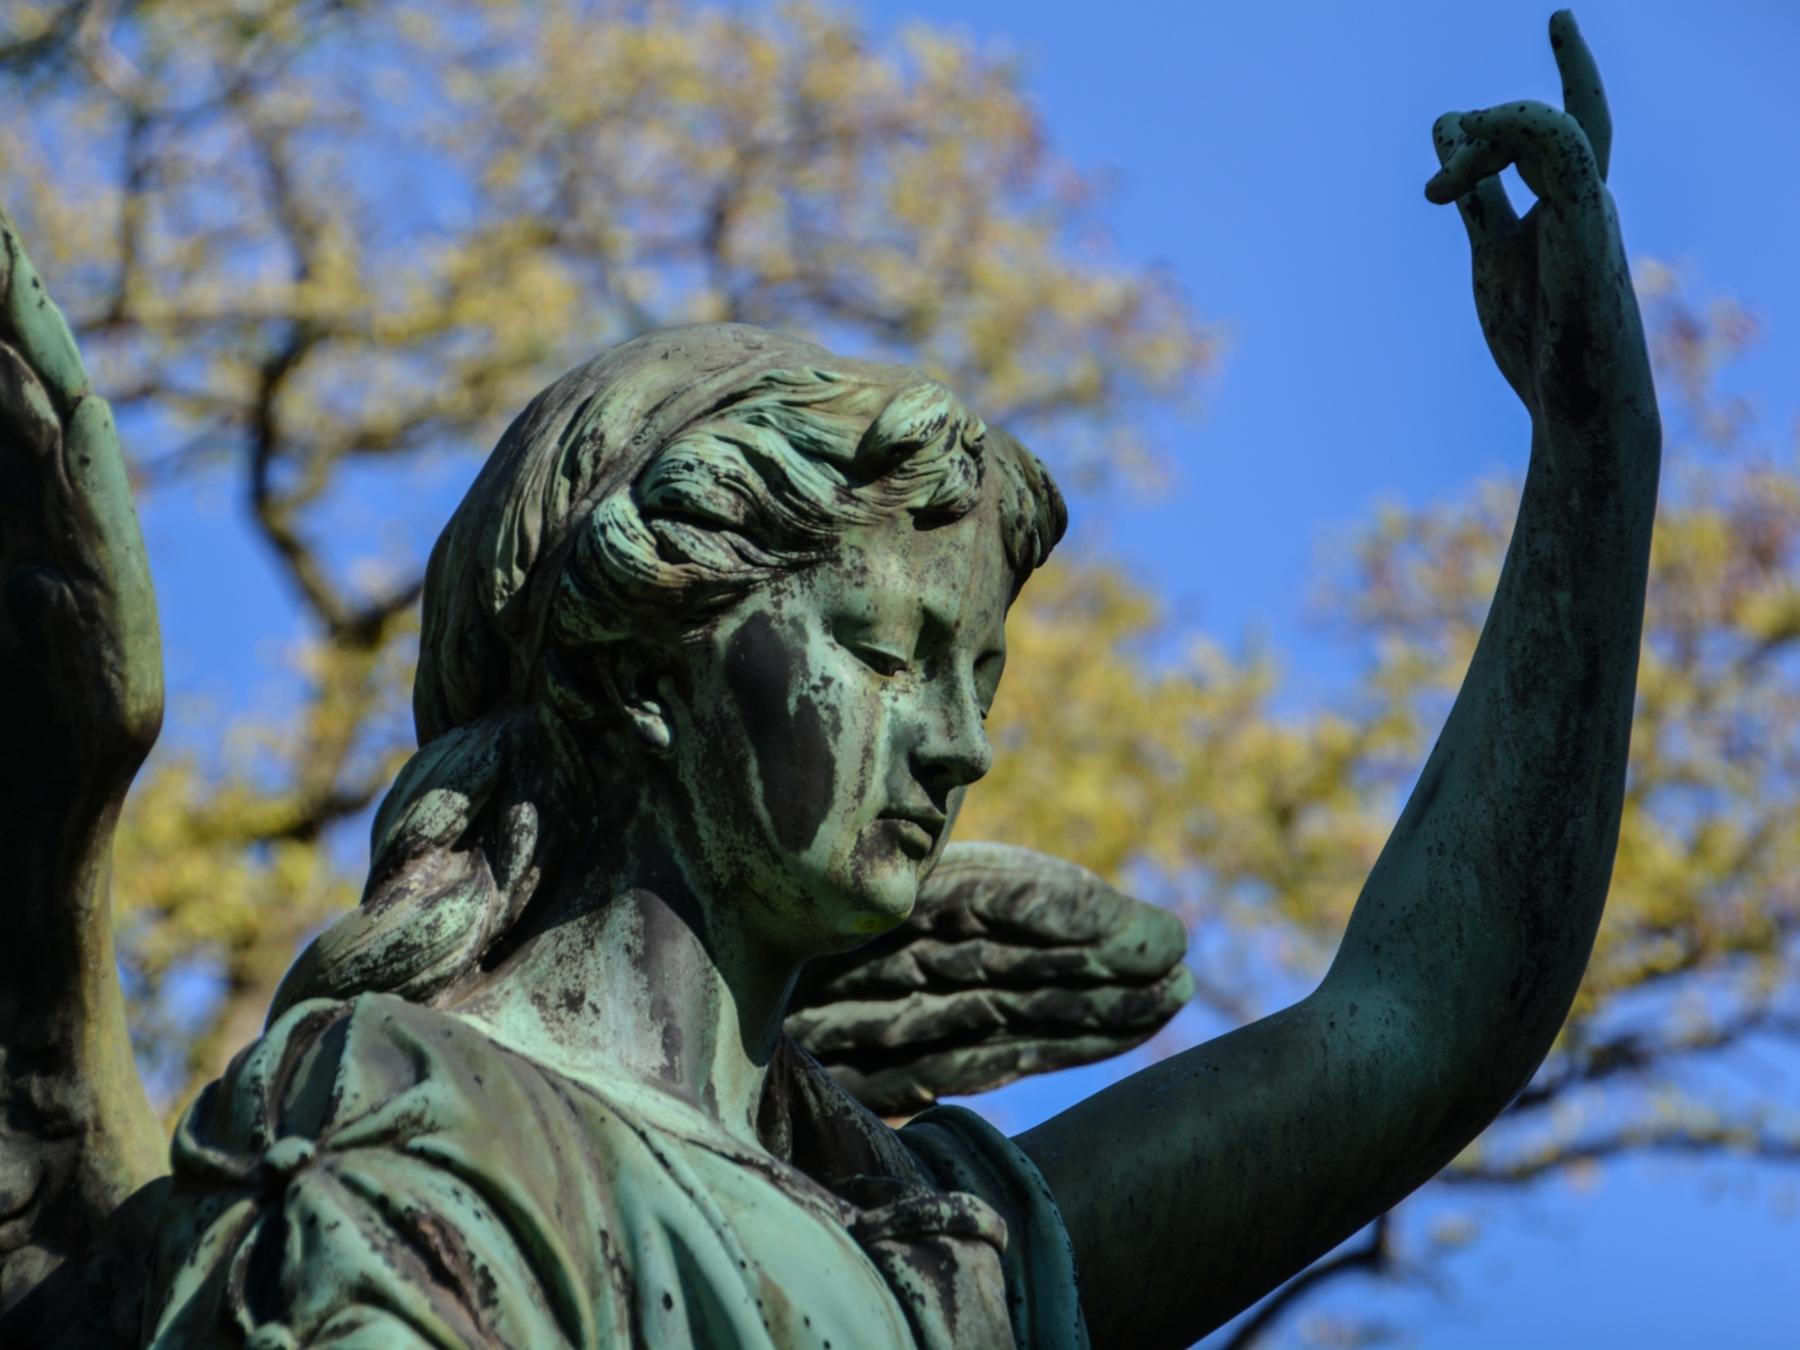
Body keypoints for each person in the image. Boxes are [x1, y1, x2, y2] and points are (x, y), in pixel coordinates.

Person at [0, 12, 1659, 1349]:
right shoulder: (410, 1138)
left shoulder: (939, 1253)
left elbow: (1413, 1026)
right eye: (884, 651)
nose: (963, 746)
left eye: (981, 676)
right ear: (651, 673)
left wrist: (1595, 454)